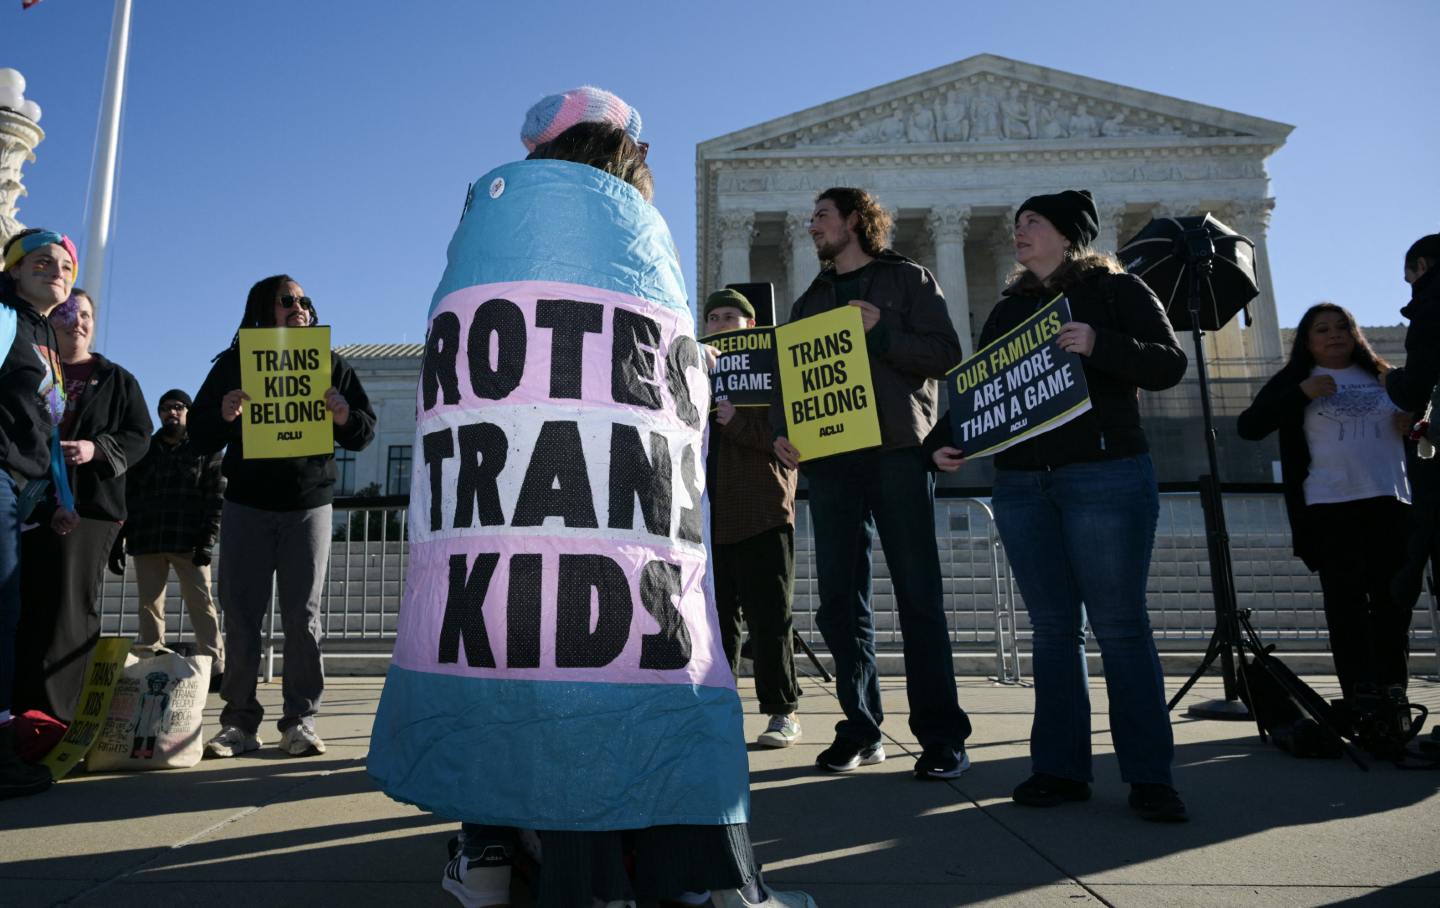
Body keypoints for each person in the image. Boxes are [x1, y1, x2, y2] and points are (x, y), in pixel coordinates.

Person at [368, 86, 813, 908]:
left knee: (508, 666)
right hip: (617, 538)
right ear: (624, 154)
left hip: (501, 534)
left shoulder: (487, 230)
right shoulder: (637, 240)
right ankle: (697, 874)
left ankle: (490, 851)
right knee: (637, 675)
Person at [929, 190, 1189, 821]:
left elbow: (1168, 365)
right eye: (1016, 222)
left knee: (1121, 628)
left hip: (1104, 474)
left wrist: (1099, 343)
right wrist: (943, 443)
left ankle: (1150, 776)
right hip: (1023, 484)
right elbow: (980, 392)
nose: (1019, 231)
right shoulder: (1009, 308)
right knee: (1051, 632)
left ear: (1068, 235)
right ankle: (1060, 768)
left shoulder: (1117, 292)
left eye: (1033, 223)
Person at [773, 186, 972, 780]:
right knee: (838, 602)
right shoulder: (812, 298)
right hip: (831, 460)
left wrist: (881, 332)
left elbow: (944, 353)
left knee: (918, 595)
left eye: (822, 217)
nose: (812, 227)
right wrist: (786, 432)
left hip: (897, 452)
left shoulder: (907, 280)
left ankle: (941, 736)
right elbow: (794, 376)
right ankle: (861, 727)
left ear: (855, 221)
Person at [190, 275, 375, 759]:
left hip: (307, 505)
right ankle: (238, 723)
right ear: (262, 309)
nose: (299, 307)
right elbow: (199, 434)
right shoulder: (234, 364)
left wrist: (341, 417)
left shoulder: (330, 364)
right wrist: (224, 415)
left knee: (303, 618)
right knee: (243, 618)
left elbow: (364, 431)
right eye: (287, 300)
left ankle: (300, 720)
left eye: (304, 301)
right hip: (247, 504)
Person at [1238, 303, 1412, 699]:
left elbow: (1415, 430)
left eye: (1342, 327)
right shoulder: (1297, 380)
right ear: (1306, 341)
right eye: (1322, 329)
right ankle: (1360, 697)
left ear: (1355, 335)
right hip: (1331, 507)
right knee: (1347, 608)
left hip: (1391, 502)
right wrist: (1301, 394)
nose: (1334, 335)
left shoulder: (1385, 377)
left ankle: (1394, 695)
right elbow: (1249, 426)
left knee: (1392, 608)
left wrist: (1411, 427)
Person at [14, 288, 151, 723]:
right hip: (28, 504)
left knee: (69, 610)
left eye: (86, 315)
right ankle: (18, 710)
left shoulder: (115, 378)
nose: (78, 322)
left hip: (89, 507)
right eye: (68, 314)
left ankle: (60, 717)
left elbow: (139, 436)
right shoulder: (25, 369)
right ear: (49, 320)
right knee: (24, 606)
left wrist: (96, 450)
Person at [0, 228, 80, 800]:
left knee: (10, 612)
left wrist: (58, 498)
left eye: (65, 266)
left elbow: (46, 427)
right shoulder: (4, 318)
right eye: (40, 261)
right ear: (12, 269)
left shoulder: (43, 335)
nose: (55, 270)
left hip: (22, 491)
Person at [704, 288, 802, 749]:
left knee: (769, 618)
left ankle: (782, 711)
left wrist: (736, 421)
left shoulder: (775, 371)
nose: (721, 324)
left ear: (751, 325)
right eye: (713, 318)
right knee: (719, 622)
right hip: (709, 519)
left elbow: (792, 440)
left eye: (730, 317)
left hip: (762, 507)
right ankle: (720, 711)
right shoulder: (696, 372)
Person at [116, 388, 226, 690]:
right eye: (165, 408)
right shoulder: (145, 450)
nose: (171, 413)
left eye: (177, 407)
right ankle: (153, 664)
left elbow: (215, 494)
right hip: (148, 538)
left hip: (189, 540)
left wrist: (208, 538)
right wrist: (121, 536)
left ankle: (216, 669)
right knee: (149, 606)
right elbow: (130, 494)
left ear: (188, 411)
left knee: (201, 603)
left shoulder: (205, 448)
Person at [1381, 234, 1440, 612]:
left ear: (1422, 266)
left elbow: (1416, 389)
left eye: (1410, 279)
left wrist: (1388, 377)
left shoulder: (1431, 307)